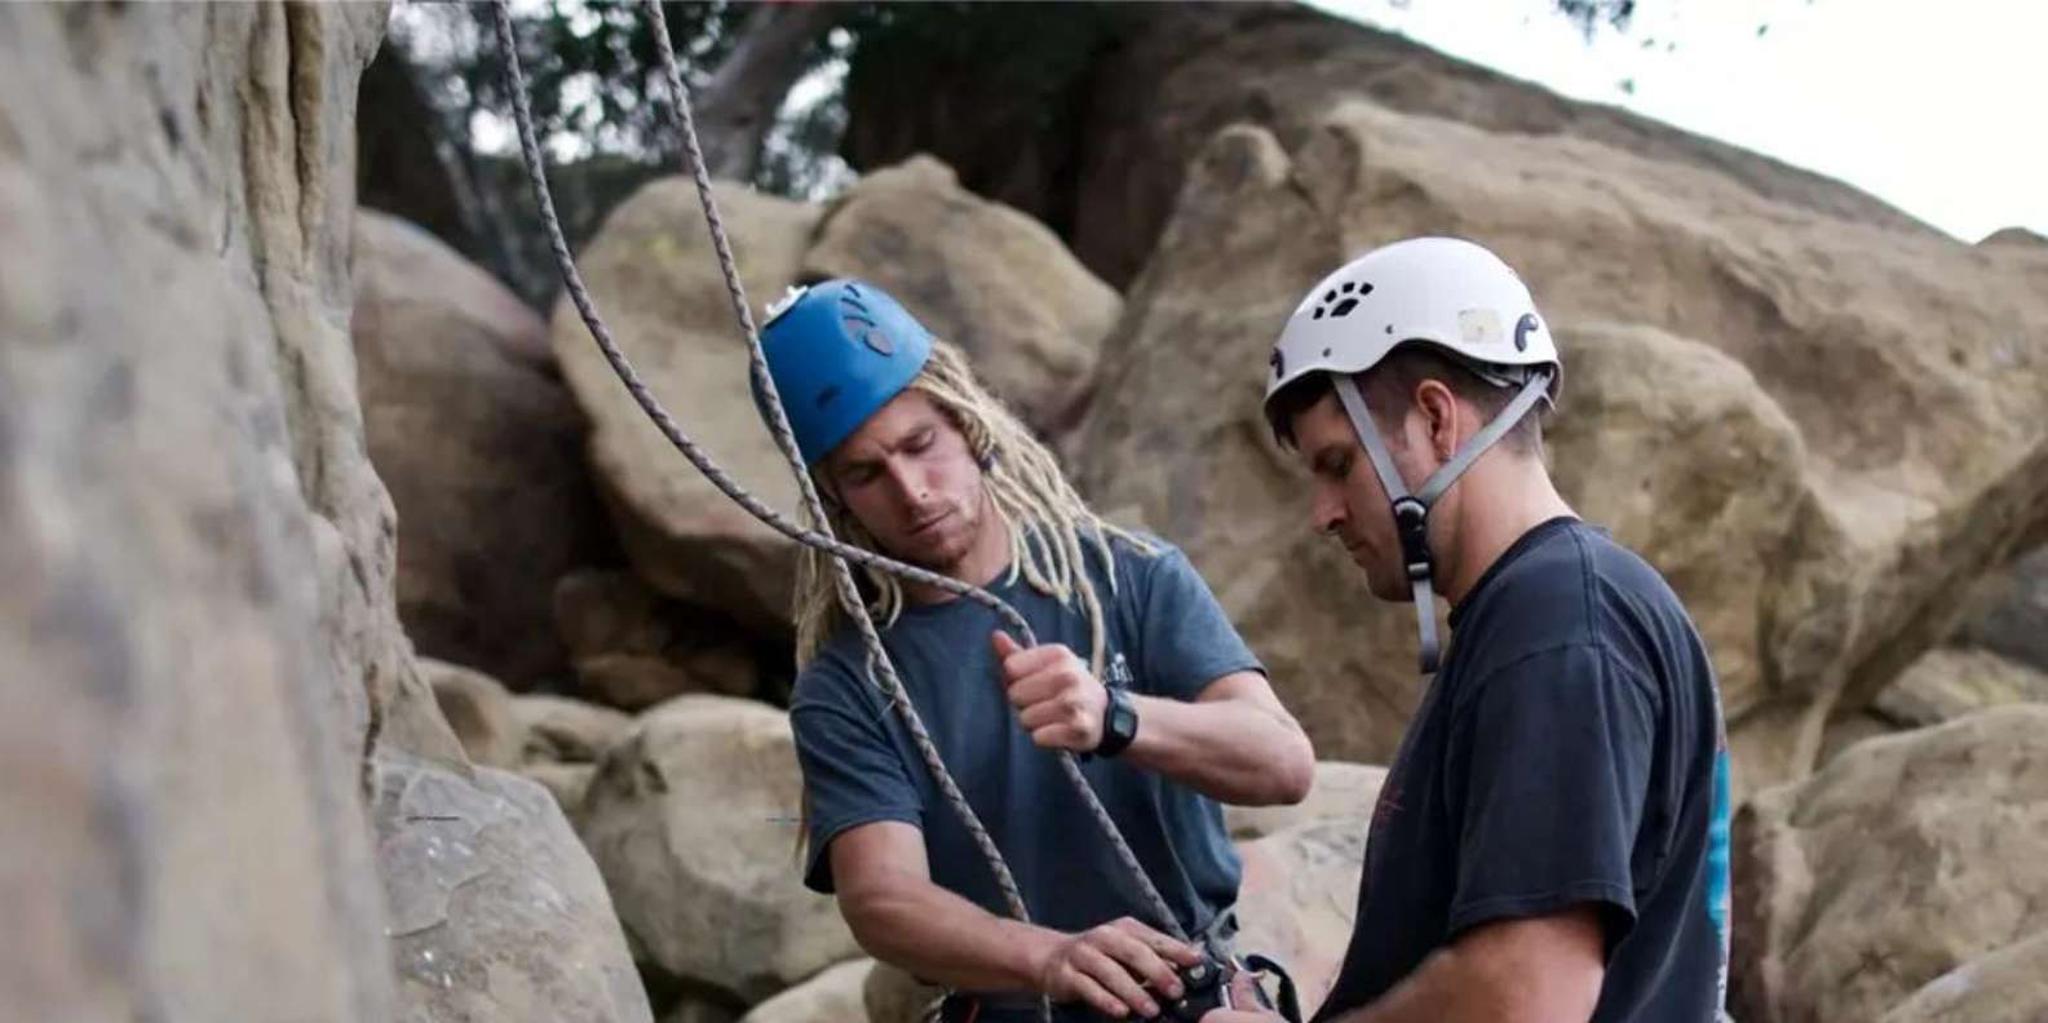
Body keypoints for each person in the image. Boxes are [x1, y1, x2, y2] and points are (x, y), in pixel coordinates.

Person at [760, 279, 1316, 1022]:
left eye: (921, 445)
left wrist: (1116, 716)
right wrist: (1049, 958)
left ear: (969, 425)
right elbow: (883, 897)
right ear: (834, 500)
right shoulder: (849, 683)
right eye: (866, 474)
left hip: (1190, 988)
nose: (913, 491)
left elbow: (1283, 762)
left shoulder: (1129, 575)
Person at [1205, 238, 1731, 1023]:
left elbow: (1526, 993)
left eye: (1339, 464)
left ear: (1435, 419)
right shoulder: (1552, 611)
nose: (1324, 514)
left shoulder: (1559, 622)